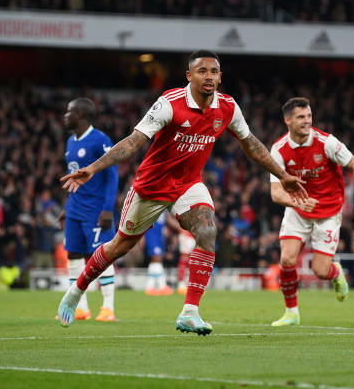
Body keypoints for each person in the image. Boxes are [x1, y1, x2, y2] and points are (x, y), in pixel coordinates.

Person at [58, 50, 307, 335]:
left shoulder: (227, 107)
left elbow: (250, 143)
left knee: (207, 231)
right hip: (151, 186)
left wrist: (282, 175)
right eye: (202, 71)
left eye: (214, 71)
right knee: (119, 247)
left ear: (220, 77)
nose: (209, 76)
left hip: (188, 184)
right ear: (189, 76)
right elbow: (134, 141)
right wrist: (94, 167)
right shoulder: (170, 103)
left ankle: (190, 312)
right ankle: (76, 291)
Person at [269, 97, 354, 327]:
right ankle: (291, 313)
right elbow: (275, 193)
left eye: (309, 116)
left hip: (328, 212)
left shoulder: (327, 143)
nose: (307, 121)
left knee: (320, 270)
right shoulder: (278, 150)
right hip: (298, 210)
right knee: (287, 259)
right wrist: (297, 203)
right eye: (301, 117)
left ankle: (336, 272)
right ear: (288, 121)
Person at [58, 97, 119, 322]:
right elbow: (74, 181)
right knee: (73, 255)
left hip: (96, 210)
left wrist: (108, 209)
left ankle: (108, 308)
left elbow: (112, 175)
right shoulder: (70, 142)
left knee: (101, 256)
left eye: (69, 112)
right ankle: (80, 308)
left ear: (81, 114)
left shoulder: (100, 140)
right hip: (75, 209)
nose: (66, 116)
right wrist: (67, 208)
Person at [144, 212, 173, 296]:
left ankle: (150, 287)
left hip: (159, 234)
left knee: (156, 260)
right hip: (151, 233)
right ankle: (161, 286)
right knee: (157, 258)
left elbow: (168, 218)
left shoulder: (165, 208)